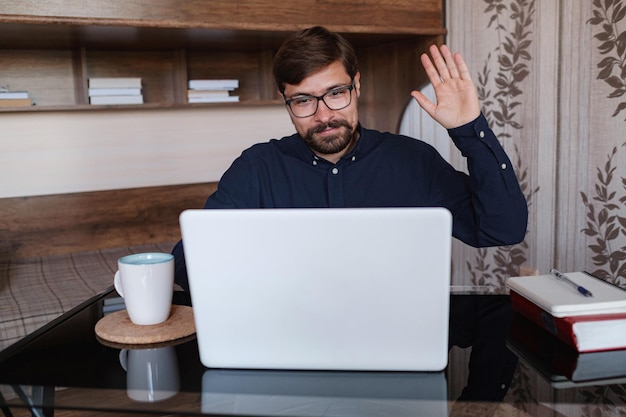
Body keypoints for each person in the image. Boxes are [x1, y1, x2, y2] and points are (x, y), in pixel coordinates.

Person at [171, 26, 528, 294]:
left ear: (357, 85)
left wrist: (470, 129)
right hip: (290, 341)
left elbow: (503, 228)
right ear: (286, 101)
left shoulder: (413, 161)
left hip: (398, 345)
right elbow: (188, 268)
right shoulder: (256, 169)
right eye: (303, 100)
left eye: (336, 93)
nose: (324, 115)